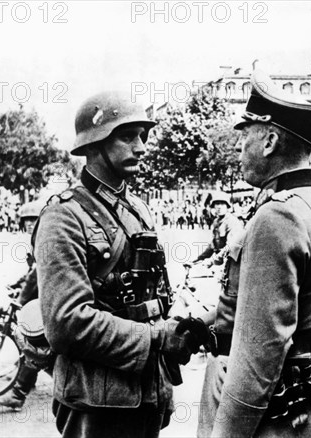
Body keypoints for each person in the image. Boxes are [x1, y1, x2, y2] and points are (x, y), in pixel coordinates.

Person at [198, 70, 311, 438]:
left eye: (244, 139)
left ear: (269, 141)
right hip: (307, 379)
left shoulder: (277, 215)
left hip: (273, 408)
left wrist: (227, 432)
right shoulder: (309, 203)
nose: (240, 151)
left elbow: (260, 351)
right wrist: (203, 322)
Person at [34, 91, 208, 438]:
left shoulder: (138, 209)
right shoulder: (63, 217)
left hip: (148, 393)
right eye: (127, 137)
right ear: (94, 144)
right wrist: (159, 337)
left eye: (142, 136)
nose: (141, 147)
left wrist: (179, 327)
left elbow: (158, 294)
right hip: (96, 401)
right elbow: (67, 324)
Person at [0, 200, 44, 410]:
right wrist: (17, 284)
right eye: (26, 220)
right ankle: (27, 376)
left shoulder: (43, 238)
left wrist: (21, 299)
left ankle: (19, 392)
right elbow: (31, 271)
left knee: (39, 344)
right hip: (40, 290)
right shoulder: (34, 240)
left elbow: (37, 273)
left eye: (33, 220)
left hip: (48, 294)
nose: (30, 224)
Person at [192, 191, 242, 265]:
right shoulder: (216, 222)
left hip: (234, 261)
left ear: (227, 206)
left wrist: (212, 261)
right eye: (217, 204)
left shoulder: (232, 221)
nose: (219, 207)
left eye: (222, 204)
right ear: (214, 206)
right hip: (222, 259)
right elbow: (212, 245)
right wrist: (198, 259)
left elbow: (230, 246)